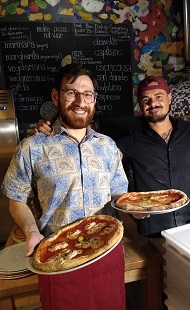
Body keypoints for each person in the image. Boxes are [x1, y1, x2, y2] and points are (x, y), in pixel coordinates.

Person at [1, 63, 128, 310]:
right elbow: (16, 198)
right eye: (71, 92)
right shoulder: (32, 147)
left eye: (88, 94)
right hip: (56, 256)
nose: (81, 101)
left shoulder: (108, 146)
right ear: (56, 96)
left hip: (107, 252)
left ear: (95, 99)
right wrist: (30, 232)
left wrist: (133, 208)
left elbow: (118, 194)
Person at [36, 75, 190, 238]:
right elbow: (95, 157)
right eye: (146, 100)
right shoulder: (131, 140)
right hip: (153, 231)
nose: (153, 104)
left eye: (158, 96)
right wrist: (55, 133)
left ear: (169, 98)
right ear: (141, 106)